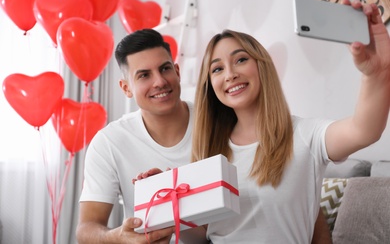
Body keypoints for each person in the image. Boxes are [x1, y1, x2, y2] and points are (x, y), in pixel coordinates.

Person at [76, 28, 331, 243]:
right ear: (126, 88)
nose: (160, 82)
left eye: (165, 69)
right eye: (144, 75)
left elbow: (294, 184)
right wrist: (118, 236)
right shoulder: (109, 143)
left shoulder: (222, 116)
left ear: (177, 71)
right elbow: (86, 229)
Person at [191, 0, 390, 243]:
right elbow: (197, 236)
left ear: (261, 66)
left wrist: (377, 74)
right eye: (217, 69)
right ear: (210, 85)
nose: (230, 74)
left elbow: (364, 130)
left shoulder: (305, 136)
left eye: (241, 59)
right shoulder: (206, 151)